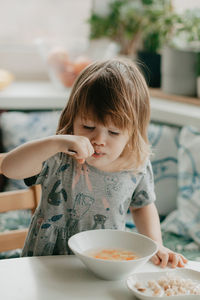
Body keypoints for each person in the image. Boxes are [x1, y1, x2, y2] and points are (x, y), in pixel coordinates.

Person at [1, 58, 187, 268]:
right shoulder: (60, 154)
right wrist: (54, 142)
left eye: (114, 132)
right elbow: (8, 168)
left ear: (133, 133)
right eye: (88, 126)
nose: (98, 140)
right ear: (72, 119)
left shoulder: (136, 164)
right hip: (48, 260)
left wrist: (156, 244)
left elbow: (143, 205)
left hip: (106, 260)